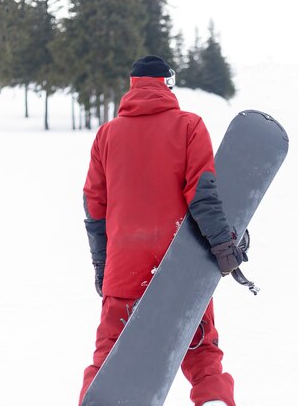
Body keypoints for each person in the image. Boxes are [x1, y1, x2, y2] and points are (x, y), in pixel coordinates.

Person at [80, 55, 246, 406]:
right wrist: (223, 246)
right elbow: (202, 195)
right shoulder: (189, 126)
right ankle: (213, 399)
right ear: (169, 84)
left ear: (132, 86)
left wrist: (101, 266)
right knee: (201, 350)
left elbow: (95, 210)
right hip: (180, 266)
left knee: (108, 358)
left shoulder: (106, 136)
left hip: (124, 269)